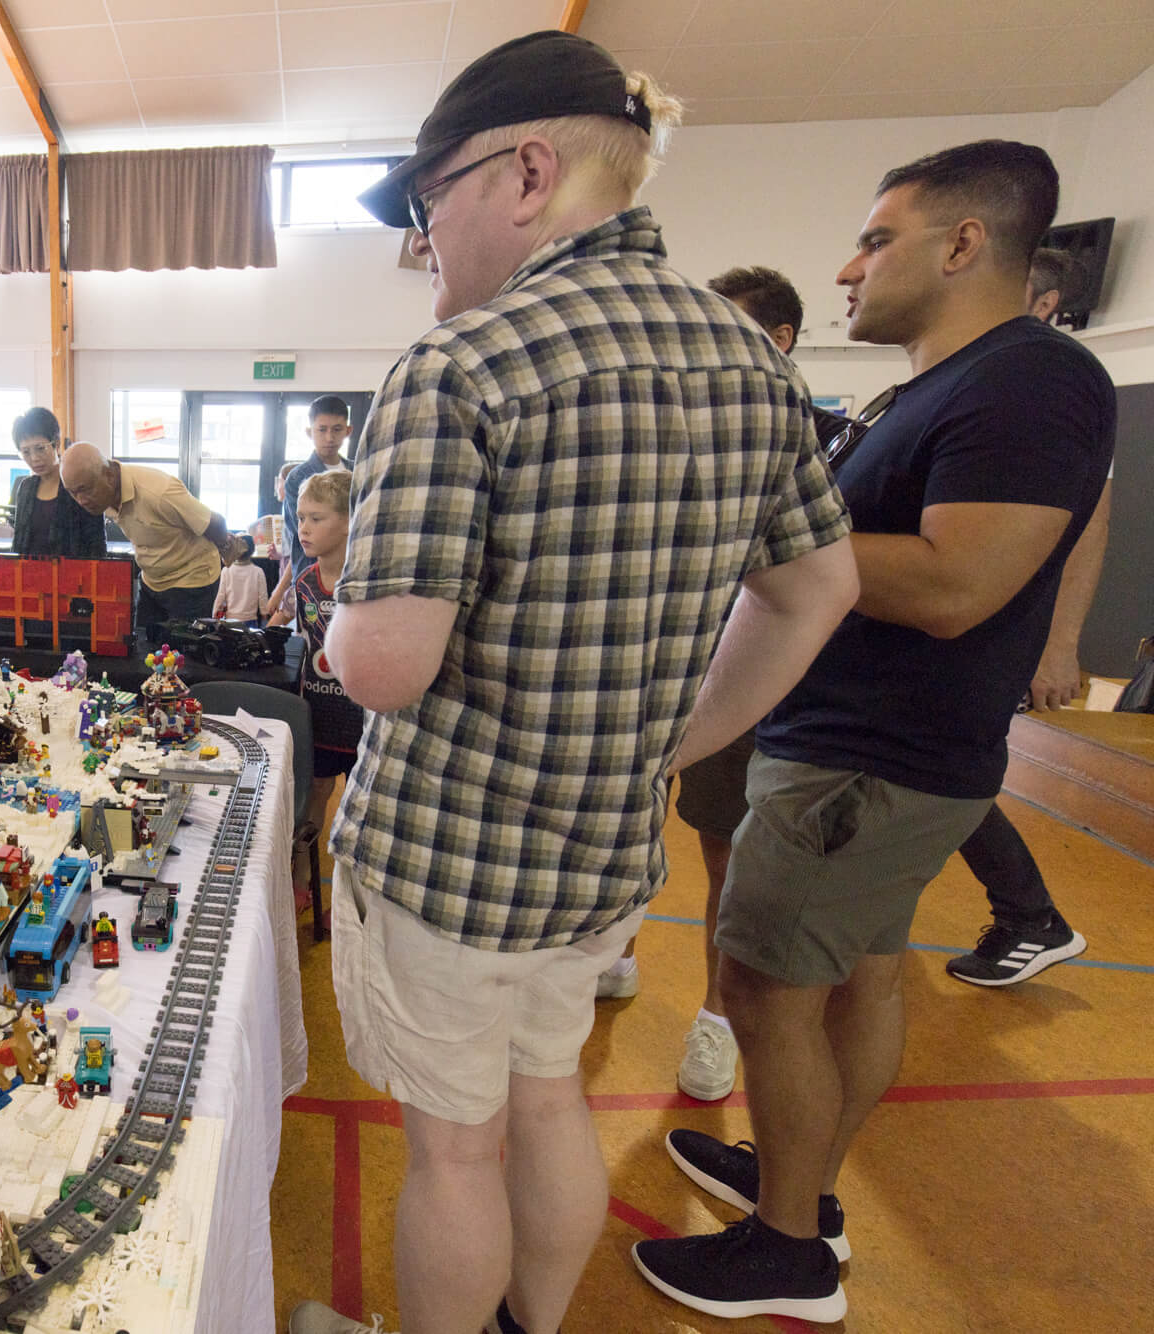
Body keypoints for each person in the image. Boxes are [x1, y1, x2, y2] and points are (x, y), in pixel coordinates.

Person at [290, 31, 858, 1334]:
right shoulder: (749, 360)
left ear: (528, 172)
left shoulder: (463, 364)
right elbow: (815, 587)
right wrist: (673, 740)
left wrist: (335, 623)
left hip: (448, 854)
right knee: (549, 1101)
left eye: (429, 204)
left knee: (454, 1149)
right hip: (600, 853)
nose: (423, 244)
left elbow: (383, 665)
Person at [633, 141, 1114, 1324]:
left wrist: (743, 529)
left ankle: (785, 1249)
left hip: (867, 758)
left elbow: (955, 582)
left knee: (763, 989)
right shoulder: (936, 386)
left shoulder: (1028, 378)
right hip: (857, 747)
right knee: (854, 980)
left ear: (961, 244)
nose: (847, 268)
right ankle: (799, 1188)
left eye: (872, 239)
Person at [594, 266, 843, 1104]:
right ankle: (618, 952)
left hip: (756, 680)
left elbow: (817, 579)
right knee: (633, 819)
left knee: (724, 851)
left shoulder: (819, 437)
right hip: (660, 664)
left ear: (779, 340)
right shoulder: (681, 428)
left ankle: (715, 1020)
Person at [941, 245, 1109, 987]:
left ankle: (1031, 917)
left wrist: (1059, 646)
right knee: (935, 769)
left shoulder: (1056, 385)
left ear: (1043, 304)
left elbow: (1090, 525)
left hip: (998, 633)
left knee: (949, 770)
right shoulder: (982, 372)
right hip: (959, 625)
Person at [57, 440, 246, 648]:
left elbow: (215, 522)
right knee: (141, 649)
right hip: (152, 580)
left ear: (109, 475)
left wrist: (225, 548)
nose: (81, 500)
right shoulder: (103, 495)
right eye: (72, 492)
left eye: (84, 489)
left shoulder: (159, 492)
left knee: (182, 657)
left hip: (191, 582)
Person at [274, 469, 362, 840]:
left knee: (361, 804)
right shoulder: (305, 581)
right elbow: (284, 624)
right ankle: (301, 871)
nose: (304, 529)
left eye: (316, 519)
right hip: (318, 713)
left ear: (348, 522)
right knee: (315, 793)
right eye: (300, 519)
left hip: (361, 716)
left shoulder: (365, 582)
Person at [266, 396, 354, 619]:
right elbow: (302, 538)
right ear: (309, 431)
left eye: (336, 429)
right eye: (322, 429)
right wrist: (282, 590)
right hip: (312, 579)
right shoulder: (298, 478)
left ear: (348, 430)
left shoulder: (357, 472)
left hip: (350, 574)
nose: (329, 438)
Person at [9, 407, 105, 558]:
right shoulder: (26, 488)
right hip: (29, 571)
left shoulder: (79, 484)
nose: (34, 458)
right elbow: (18, 543)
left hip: (72, 571)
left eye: (40, 448)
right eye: (26, 452)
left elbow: (96, 544)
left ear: (57, 444)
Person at [212, 537, 271, 625]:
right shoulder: (258, 571)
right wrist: (264, 615)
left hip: (230, 620)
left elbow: (221, 595)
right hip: (250, 620)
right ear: (252, 550)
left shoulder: (226, 570)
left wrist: (214, 613)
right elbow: (263, 596)